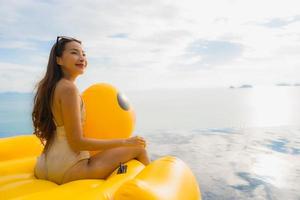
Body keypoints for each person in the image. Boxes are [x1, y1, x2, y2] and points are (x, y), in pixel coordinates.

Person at [32, 36, 150, 185]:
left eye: (83, 54)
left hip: (44, 165)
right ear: (59, 60)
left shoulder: (50, 87)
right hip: (67, 168)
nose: (82, 58)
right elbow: (77, 143)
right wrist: (125, 141)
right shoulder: (69, 89)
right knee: (139, 148)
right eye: (74, 53)